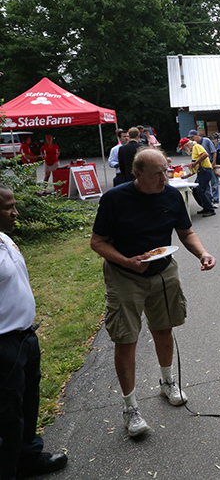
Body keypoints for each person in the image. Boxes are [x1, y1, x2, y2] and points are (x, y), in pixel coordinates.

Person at [90, 149, 215, 438]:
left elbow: (186, 233)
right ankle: (130, 408)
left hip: (163, 270)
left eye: (166, 171)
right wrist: (127, 261)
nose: (164, 178)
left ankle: (167, 383)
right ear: (137, 174)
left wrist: (202, 253)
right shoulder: (115, 199)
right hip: (124, 275)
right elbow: (98, 242)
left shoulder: (171, 195)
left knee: (163, 328)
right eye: (157, 174)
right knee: (126, 338)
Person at [0, 184, 69, 478]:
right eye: (8, 207)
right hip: (4, 344)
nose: (16, 212)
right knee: (7, 414)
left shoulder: (4, 238)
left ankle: (28, 455)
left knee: (28, 401)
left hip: (25, 337)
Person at [178, 137, 216, 217]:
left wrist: (195, 163)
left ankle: (210, 209)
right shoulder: (194, 150)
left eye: (184, 148)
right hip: (201, 172)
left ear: (187, 145)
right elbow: (195, 169)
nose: (185, 150)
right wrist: (186, 176)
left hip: (205, 171)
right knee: (195, 190)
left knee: (200, 191)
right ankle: (205, 207)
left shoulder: (196, 146)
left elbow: (205, 154)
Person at [189, 130, 219, 208]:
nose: (192, 139)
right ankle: (210, 200)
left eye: (193, 136)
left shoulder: (206, 141)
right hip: (202, 167)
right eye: (190, 137)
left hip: (210, 163)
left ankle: (216, 200)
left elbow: (214, 152)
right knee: (206, 186)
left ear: (197, 135)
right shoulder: (194, 145)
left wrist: (213, 163)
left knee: (214, 183)